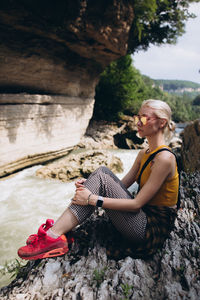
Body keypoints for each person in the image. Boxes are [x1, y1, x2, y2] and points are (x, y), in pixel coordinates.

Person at [18, 99, 179, 260]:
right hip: (141, 217)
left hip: (150, 230)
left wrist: (91, 198)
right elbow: (118, 186)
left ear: (162, 123)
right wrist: (91, 187)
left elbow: (136, 205)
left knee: (101, 178)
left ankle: (52, 236)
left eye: (143, 118)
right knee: (102, 172)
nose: (137, 122)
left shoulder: (164, 158)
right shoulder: (144, 153)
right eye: (137, 117)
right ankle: (56, 234)